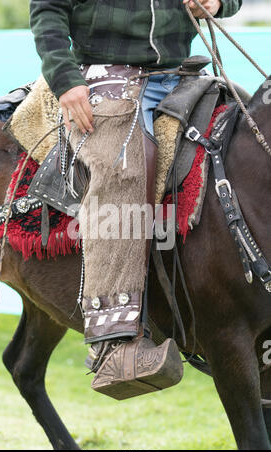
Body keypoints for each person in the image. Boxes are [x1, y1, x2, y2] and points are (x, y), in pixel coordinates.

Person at [30, 0, 242, 397]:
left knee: (247, 140)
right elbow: (47, 9)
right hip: (104, 78)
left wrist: (217, 2)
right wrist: (64, 79)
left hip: (184, 74)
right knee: (122, 166)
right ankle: (112, 342)